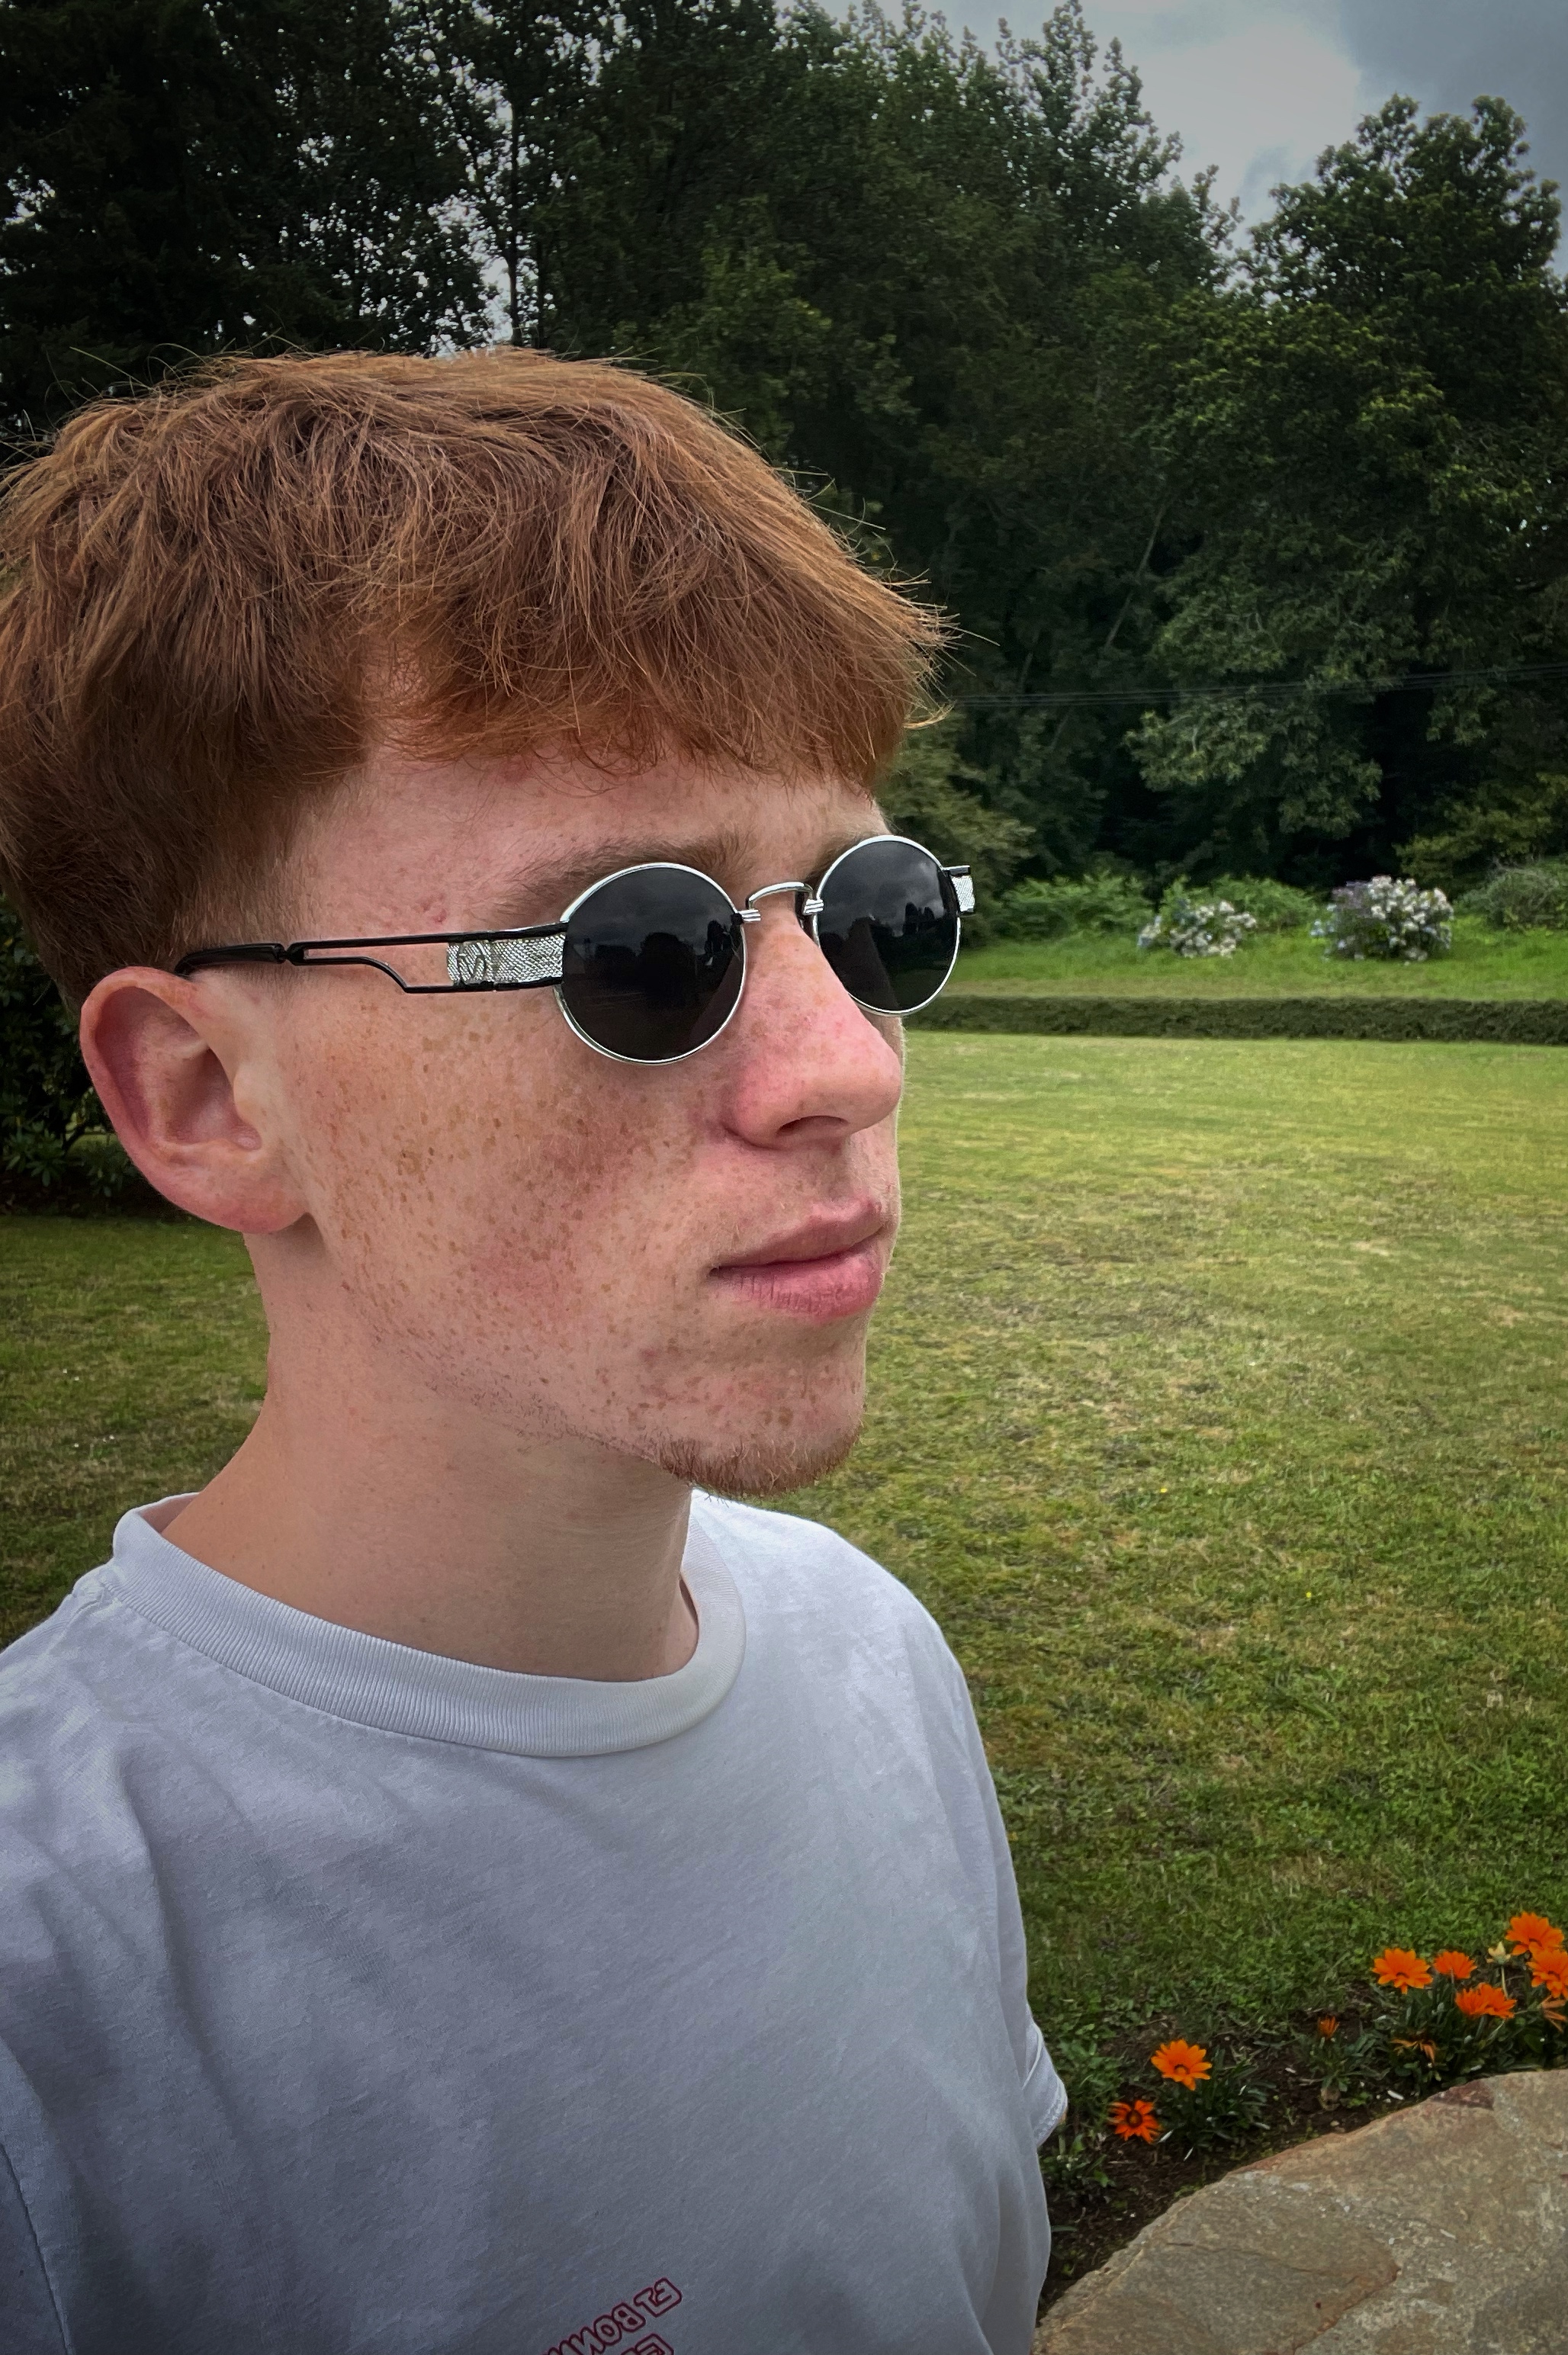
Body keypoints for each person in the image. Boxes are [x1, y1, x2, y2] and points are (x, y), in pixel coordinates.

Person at [0, 351, 1062, 2355]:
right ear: (208, 1098)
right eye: (639, 951)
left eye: (870, 916)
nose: (849, 1064)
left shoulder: (873, 1662)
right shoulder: (55, 2014)